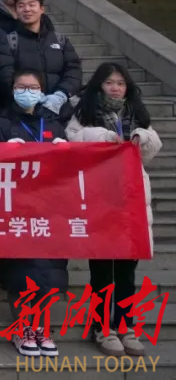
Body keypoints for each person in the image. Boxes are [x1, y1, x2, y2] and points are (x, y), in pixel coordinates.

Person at [67, 63, 158, 358]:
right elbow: (73, 140)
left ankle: (127, 327)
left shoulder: (136, 113)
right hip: (100, 199)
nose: (116, 88)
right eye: (110, 82)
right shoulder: (84, 112)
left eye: (120, 83)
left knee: (127, 272)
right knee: (103, 272)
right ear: (99, 85)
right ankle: (102, 328)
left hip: (132, 198)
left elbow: (152, 148)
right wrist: (100, 136)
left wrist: (142, 138)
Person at [0, 69, 69, 359]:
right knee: (21, 272)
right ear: (12, 90)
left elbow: (70, 169)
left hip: (51, 210)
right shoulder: (1, 124)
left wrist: (66, 151)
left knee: (50, 271)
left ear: (42, 90)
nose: (27, 91)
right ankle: (22, 328)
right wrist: (2, 152)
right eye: (21, 87)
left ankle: (43, 328)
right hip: (15, 209)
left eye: (33, 87)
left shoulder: (54, 124)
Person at [0, 0, 82, 112]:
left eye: (32, 5)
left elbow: (74, 70)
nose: (27, 9)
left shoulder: (60, 40)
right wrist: (31, 95)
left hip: (59, 110)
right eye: (21, 6)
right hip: (23, 110)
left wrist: (62, 94)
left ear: (41, 9)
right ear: (16, 11)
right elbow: (5, 74)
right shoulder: (8, 42)